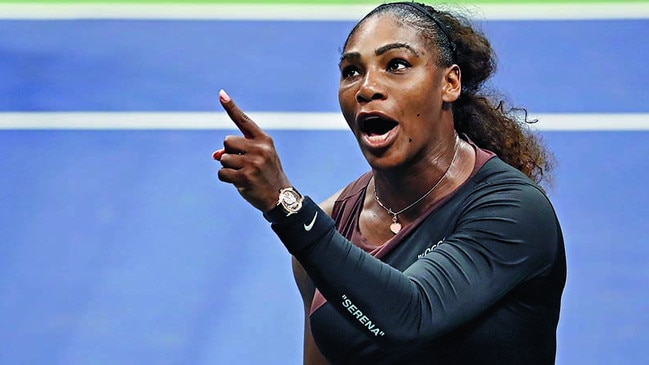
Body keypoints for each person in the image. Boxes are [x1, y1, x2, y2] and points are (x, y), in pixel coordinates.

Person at [212, 1, 566, 364]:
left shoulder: (515, 211)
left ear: (450, 82)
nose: (367, 88)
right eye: (351, 71)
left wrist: (284, 206)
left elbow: (410, 317)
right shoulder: (330, 222)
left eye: (396, 65)